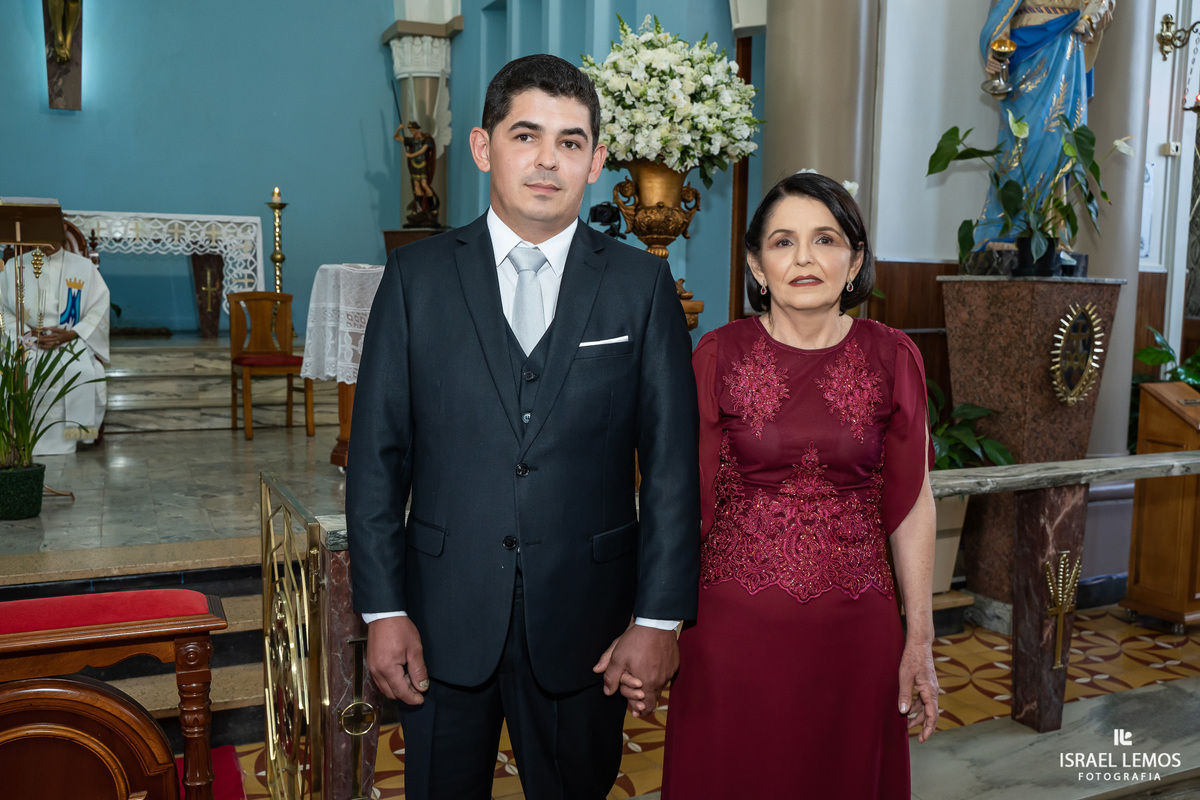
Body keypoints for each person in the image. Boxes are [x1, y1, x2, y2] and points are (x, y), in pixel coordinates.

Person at [347, 54, 700, 800]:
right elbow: (379, 457)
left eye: (571, 142)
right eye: (526, 135)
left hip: (589, 622)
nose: (548, 160)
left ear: (598, 162)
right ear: (483, 148)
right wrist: (384, 609)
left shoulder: (641, 287)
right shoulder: (417, 278)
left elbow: (671, 468)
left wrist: (659, 618)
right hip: (441, 618)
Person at [661, 172, 938, 799]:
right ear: (757, 265)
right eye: (783, 242)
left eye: (826, 239)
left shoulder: (894, 357)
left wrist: (919, 636)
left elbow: (912, 501)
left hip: (856, 638)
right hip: (730, 640)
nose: (805, 258)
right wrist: (654, 624)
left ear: (855, 260)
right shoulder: (717, 354)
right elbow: (682, 502)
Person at [974, 0, 1115, 247]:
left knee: (1058, 141)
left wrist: (1090, 19)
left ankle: (1049, 232)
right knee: (1022, 142)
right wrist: (997, 48)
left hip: (1067, 48)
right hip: (1025, 51)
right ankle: (1007, 230)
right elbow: (1002, 7)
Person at [0, 244, 109, 454]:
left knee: (82, 372)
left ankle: (77, 435)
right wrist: (25, 333)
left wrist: (73, 333)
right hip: (26, 341)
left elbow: (99, 307)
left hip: (69, 339)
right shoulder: (15, 266)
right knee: (16, 371)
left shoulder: (83, 266)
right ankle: (20, 436)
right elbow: (2, 310)